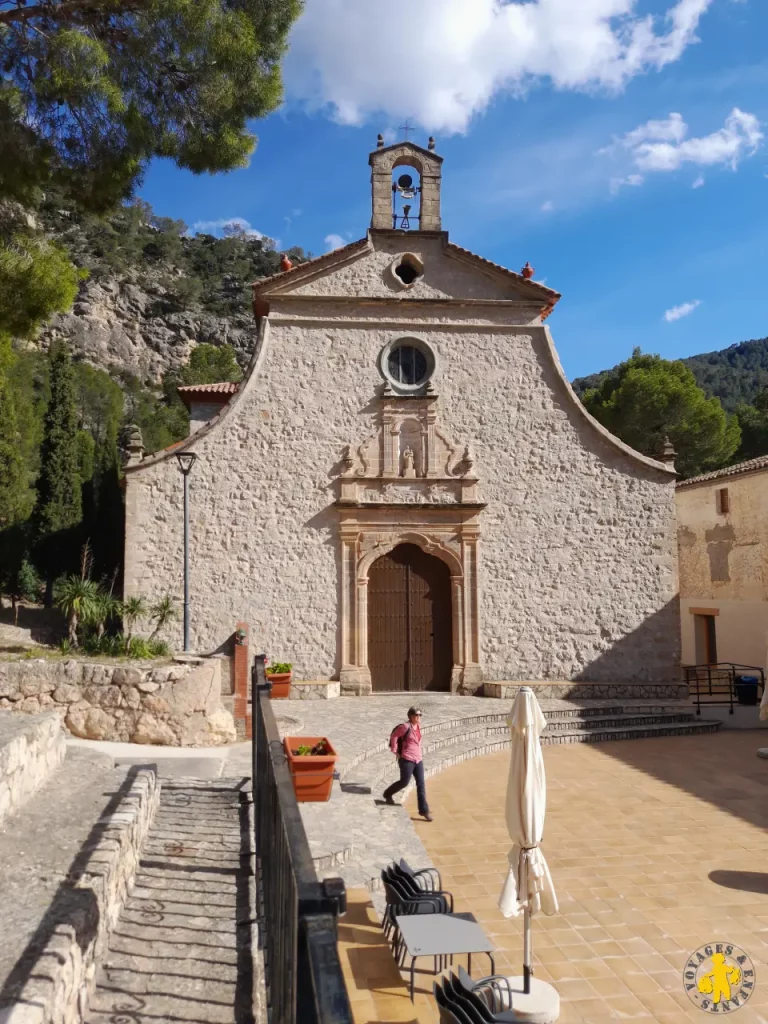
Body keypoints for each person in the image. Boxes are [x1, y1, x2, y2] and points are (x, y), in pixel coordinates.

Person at [382, 706, 433, 821]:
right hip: (407, 759)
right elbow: (394, 735)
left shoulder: (418, 727)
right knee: (404, 782)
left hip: (418, 759)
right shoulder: (404, 727)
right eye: (416, 715)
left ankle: (424, 811)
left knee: (421, 784)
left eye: (420, 715)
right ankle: (387, 793)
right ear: (410, 716)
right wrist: (395, 751)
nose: (418, 717)